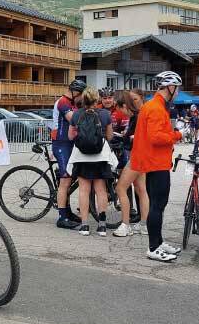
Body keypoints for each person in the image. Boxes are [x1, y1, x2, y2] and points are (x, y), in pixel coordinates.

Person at [130, 71, 184, 262]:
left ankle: (158, 242)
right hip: (156, 162)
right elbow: (156, 137)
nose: (177, 92)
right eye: (177, 89)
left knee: (157, 205)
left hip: (153, 161)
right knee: (157, 206)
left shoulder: (156, 105)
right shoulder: (155, 108)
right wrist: (177, 135)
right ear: (170, 87)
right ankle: (154, 247)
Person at [67, 87, 117, 236]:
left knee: (84, 190)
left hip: (82, 157)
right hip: (100, 157)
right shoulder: (105, 114)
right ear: (97, 100)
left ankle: (84, 225)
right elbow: (109, 137)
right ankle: (102, 225)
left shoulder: (76, 114)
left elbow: (70, 136)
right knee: (101, 190)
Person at [113, 90, 150, 237]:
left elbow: (134, 139)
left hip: (137, 156)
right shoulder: (139, 115)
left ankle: (125, 224)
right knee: (141, 190)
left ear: (124, 106)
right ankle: (144, 224)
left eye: (119, 109)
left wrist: (125, 138)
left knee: (120, 188)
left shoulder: (137, 117)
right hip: (142, 156)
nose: (122, 114)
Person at [53, 78, 87, 229]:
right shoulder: (63, 102)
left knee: (70, 178)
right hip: (61, 144)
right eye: (81, 95)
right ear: (75, 92)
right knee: (65, 180)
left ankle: (67, 212)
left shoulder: (71, 102)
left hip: (69, 144)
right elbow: (72, 119)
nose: (81, 98)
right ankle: (62, 218)